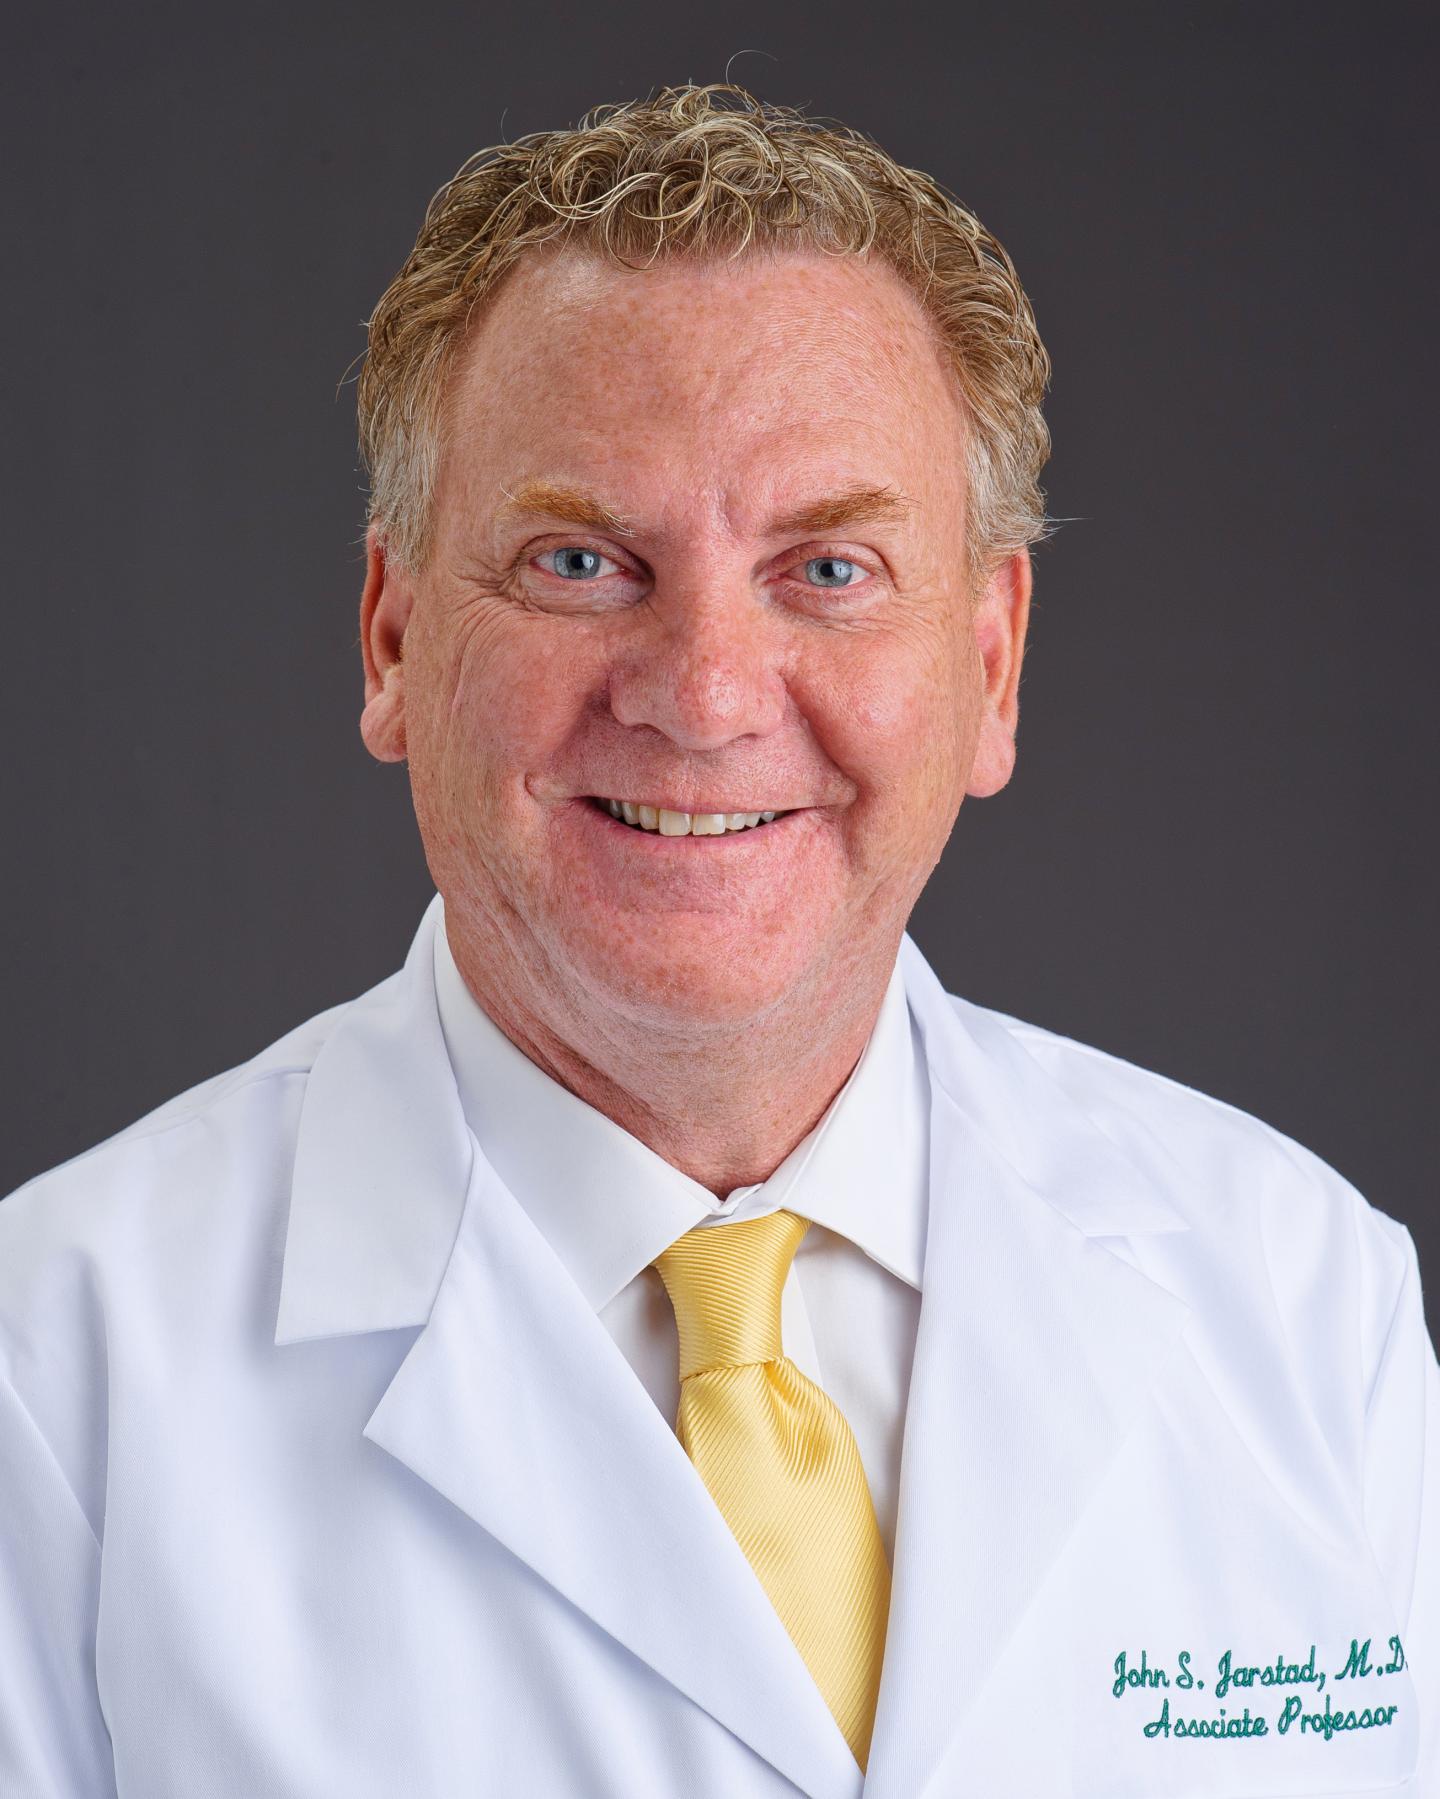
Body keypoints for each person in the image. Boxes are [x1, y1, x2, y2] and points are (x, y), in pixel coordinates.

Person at [1, 82, 1434, 1798]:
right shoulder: (52, 1377)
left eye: (829, 570)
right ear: (390, 635)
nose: (702, 695)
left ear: (990, 665)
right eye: (580, 560)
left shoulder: (1305, 1302)